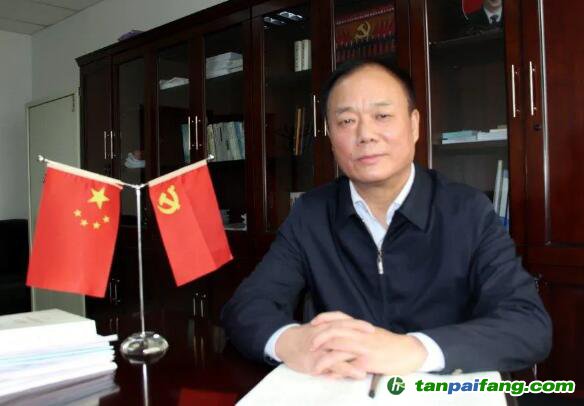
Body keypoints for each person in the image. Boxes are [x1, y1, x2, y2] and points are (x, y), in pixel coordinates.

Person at [221, 58, 551, 380]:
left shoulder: (467, 211)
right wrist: (290, 341)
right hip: (342, 389)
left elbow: (528, 325)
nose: (365, 134)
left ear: (414, 124)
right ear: (331, 136)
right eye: (346, 121)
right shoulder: (311, 213)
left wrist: (412, 349)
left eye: (382, 115)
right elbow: (246, 307)